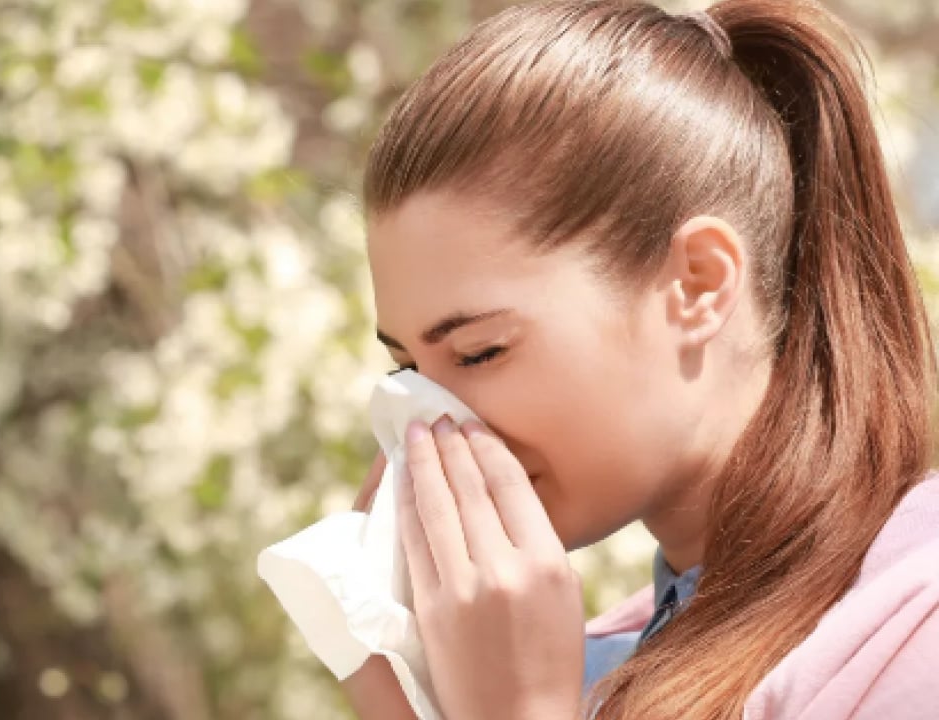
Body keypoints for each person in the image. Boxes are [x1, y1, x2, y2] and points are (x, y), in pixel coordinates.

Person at [337, 0, 939, 718]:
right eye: (407, 371)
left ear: (699, 285)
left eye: (479, 352)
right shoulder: (589, 668)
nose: (426, 425)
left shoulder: (906, 635)